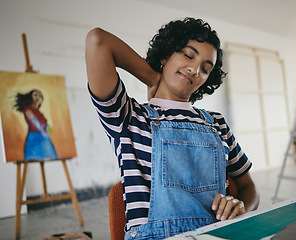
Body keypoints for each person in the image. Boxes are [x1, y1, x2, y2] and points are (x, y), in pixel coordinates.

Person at [85, 17, 259, 240]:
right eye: (188, 55)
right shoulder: (128, 117)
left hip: (214, 235)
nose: (195, 69)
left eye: (206, 69)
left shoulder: (216, 123)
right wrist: (151, 77)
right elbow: (98, 40)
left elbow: (249, 187)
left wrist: (241, 205)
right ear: (165, 55)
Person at [14, 89, 58, 160]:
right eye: (35, 95)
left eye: (40, 96)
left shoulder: (38, 111)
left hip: (44, 139)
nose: (38, 97)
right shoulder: (28, 109)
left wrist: (48, 129)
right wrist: (42, 131)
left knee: (50, 157)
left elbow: (44, 124)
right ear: (30, 97)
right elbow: (33, 121)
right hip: (35, 138)